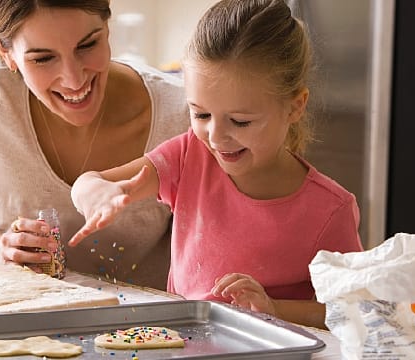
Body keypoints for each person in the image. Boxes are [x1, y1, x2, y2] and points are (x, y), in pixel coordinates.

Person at [68, 0, 363, 329]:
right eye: (201, 114)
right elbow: (90, 181)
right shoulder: (190, 156)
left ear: (295, 107)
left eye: (240, 121)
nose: (216, 136)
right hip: (183, 345)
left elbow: (354, 311)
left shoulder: (330, 209)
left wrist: (273, 308)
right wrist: (96, 193)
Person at [0, 0, 189, 289]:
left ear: (107, 27)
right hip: (22, 322)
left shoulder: (182, 114)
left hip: (154, 329)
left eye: (87, 45)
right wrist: (0, 248)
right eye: (43, 59)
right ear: (5, 51)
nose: (74, 80)